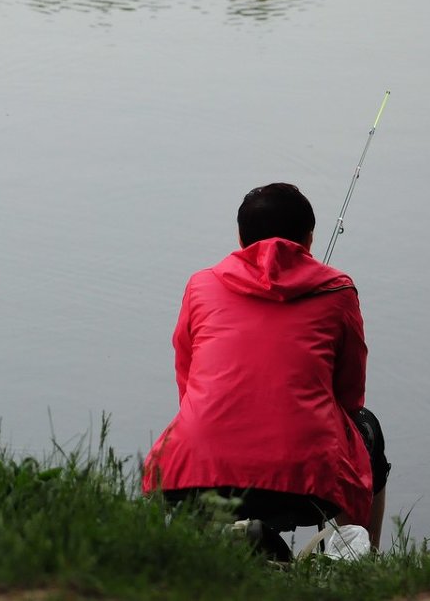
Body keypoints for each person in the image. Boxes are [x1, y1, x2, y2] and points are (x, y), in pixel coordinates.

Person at [142, 183, 389, 556]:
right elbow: (351, 396)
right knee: (367, 425)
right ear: (309, 239)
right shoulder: (338, 291)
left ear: (241, 239)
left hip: (198, 478)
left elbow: (188, 383)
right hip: (306, 489)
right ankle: (355, 560)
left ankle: (218, 548)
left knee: (196, 422)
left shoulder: (201, 285)